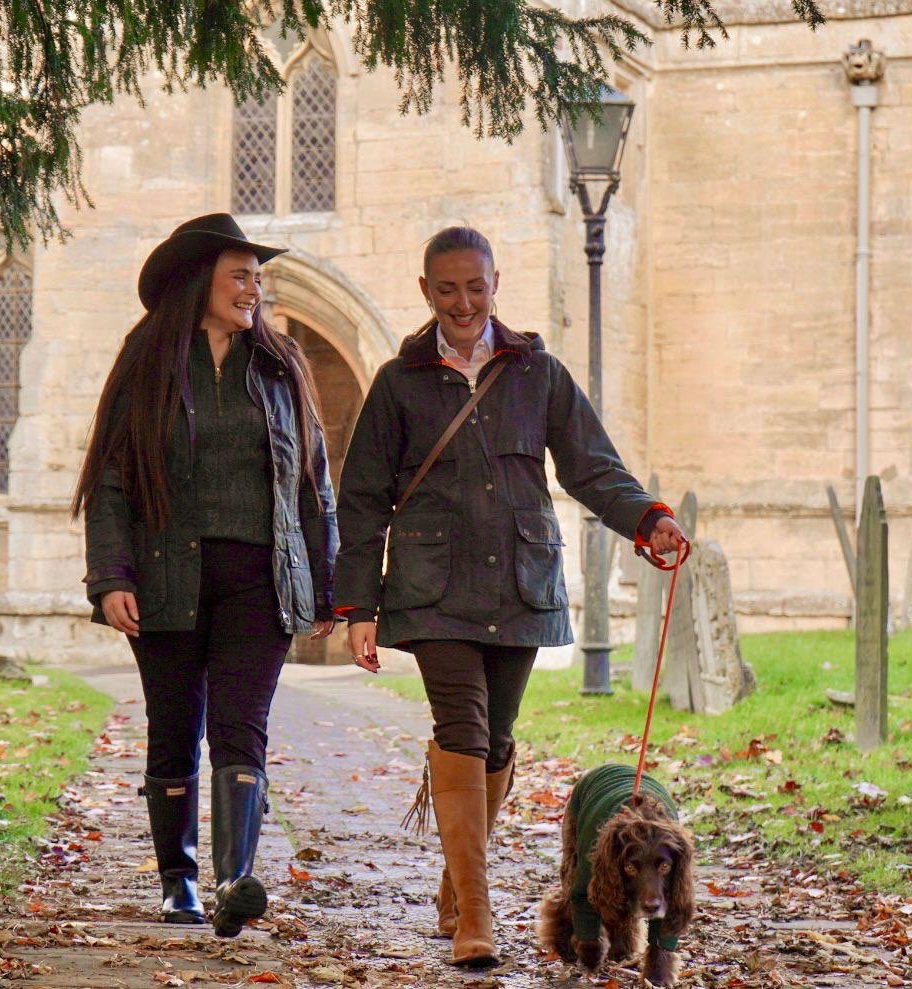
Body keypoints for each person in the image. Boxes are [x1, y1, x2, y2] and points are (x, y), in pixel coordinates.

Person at [333, 226, 685, 968]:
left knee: (495, 739)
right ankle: (475, 912)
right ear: (425, 290)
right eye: (447, 288)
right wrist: (357, 605)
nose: (463, 301)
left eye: (476, 286)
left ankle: (453, 880)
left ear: (496, 284)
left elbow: (590, 464)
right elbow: (362, 496)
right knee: (460, 725)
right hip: (432, 587)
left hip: (520, 581)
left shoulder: (538, 372)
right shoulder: (399, 382)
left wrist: (648, 517)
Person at [72, 213, 337, 937]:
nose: (254, 288)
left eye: (258, 276)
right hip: (165, 575)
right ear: (201, 283)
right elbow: (113, 478)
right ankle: (177, 878)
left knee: (240, 728)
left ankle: (234, 880)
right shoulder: (150, 362)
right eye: (240, 275)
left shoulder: (280, 366)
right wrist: (110, 575)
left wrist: (326, 581)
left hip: (260, 576)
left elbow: (312, 481)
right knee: (173, 729)